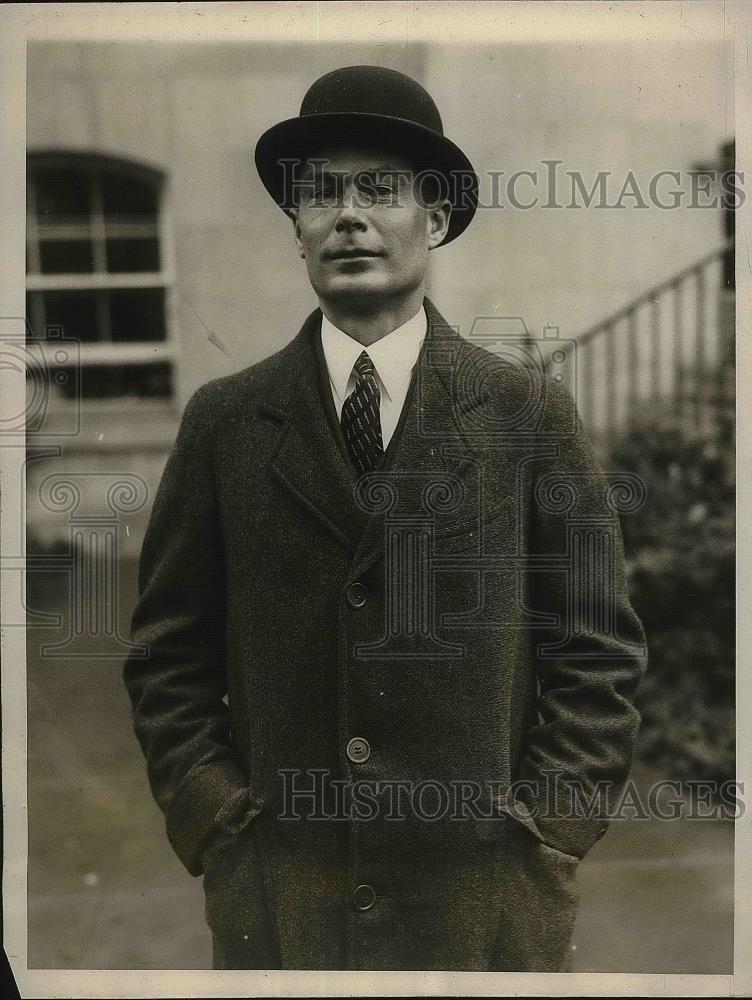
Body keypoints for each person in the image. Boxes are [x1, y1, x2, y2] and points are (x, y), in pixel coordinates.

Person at [122, 64, 647, 973]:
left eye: (381, 190)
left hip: (483, 898)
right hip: (284, 903)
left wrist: (548, 836)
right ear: (296, 229)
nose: (348, 214)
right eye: (320, 193)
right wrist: (218, 824)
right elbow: (169, 652)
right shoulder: (226, 421)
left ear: (435, 220)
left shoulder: (525, 414)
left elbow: (597, 649)